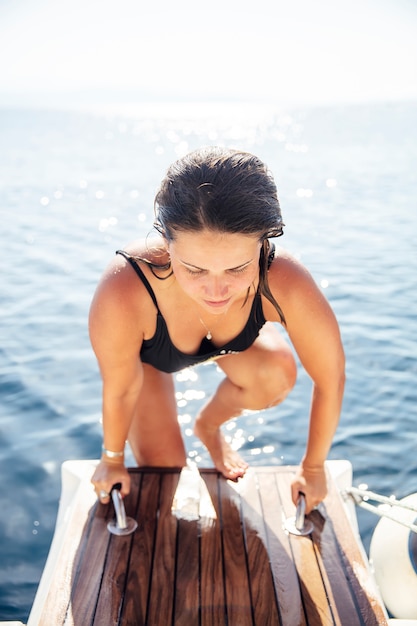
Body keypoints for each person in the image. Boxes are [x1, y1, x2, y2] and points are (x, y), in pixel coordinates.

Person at [90, 146, 345, 514]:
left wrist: (314, 468)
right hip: (150, 363)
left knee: (275, 376)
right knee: (166, 472)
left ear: (263, 244)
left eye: (237, 268)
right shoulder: (126, 287)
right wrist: (112, 458)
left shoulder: (284, 281)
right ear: (166, 243)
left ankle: (208, 428)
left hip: (234, 347)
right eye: (194, 269)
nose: (215, 291)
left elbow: (331, 377)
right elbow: (120, 386)